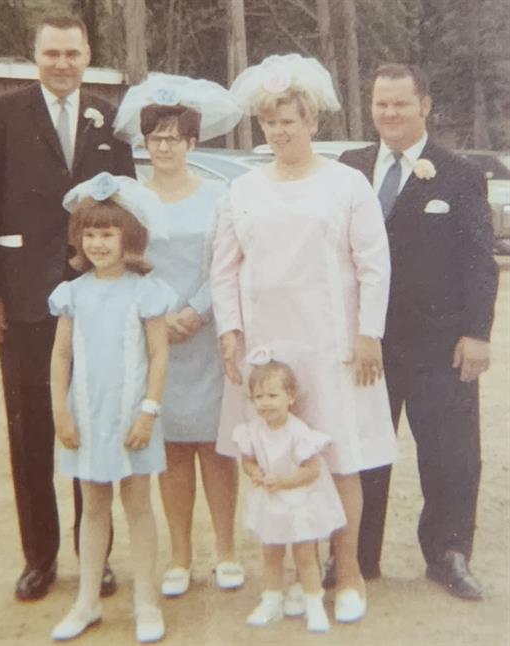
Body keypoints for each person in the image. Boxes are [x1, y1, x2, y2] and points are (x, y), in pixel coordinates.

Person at [211, 54, 397, 623]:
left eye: (290, 120)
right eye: (270, 122)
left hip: (332, 341)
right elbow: (223, 268)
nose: (281, 131)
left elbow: (374, 264)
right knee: (278, 451)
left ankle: (347, 576)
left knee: (339, 457)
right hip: (270, 345)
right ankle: (297, 575)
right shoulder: (242, 190)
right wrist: (230, 329)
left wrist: (369, 333)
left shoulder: (347, 184)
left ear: (312, 121)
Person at [0, 15, 135, 601]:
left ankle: (97, 557)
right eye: (51, 53)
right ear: (34, 56)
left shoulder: (112, 118)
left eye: (72, 52)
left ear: (88, 55)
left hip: (98, 302)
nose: (62, 63)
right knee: (30, 431)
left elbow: (131, 206)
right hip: (24, 303)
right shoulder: (3, 114)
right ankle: (39, 557)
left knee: (95, 426)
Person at [339, 64, 498, 600]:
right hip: (367, 342)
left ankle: (448, 554)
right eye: (381, 104)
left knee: (450, 453)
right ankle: (356, 558)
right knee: (364, 451)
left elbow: (480, 261)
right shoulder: (350, 167)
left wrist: (477, 332)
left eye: (400, 104)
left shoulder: (458, 172)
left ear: (425, 105)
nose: (389, 114)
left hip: (439, 342)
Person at [113, 73, 244, 595]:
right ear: (145, 143)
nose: (164, 146)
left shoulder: (220, 195)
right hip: (157, 339)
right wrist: (159, 318)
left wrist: (197, 311)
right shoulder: (132, 199)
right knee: (170, 452)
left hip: (206, 336)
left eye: (174, 136)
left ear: (193, 141)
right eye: (155, 137)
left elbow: (228, 262)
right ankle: (180, 558)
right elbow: (126, 265)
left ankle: (227, 552)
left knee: (214, 447)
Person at [49, 173, 175, 642]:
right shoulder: (73, 293)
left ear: (130, 237)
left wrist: (148, 412)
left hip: (131, 418)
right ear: (79, 238)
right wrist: (61, 412)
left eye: (108, 233)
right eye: (90, 234)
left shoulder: (146, 292)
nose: (98, 243)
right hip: (86, 415)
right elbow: (61, 356)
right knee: (93, 504)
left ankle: (145, 601)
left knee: (138, 503)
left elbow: (159, 356)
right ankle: (86, 602)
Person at [234, 347, 346, 633]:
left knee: (304, 556)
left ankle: (314, 604)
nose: (265, 404)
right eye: (259, 397)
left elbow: (312, 470)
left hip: (298, 502)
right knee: (270, 554)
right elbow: (248, 460)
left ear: (290, 397)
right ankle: (271, 600)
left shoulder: (298, 432)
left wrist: (284, 482)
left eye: (273, 396)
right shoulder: (253, 430)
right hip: (271, 503)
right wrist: (254, 472)